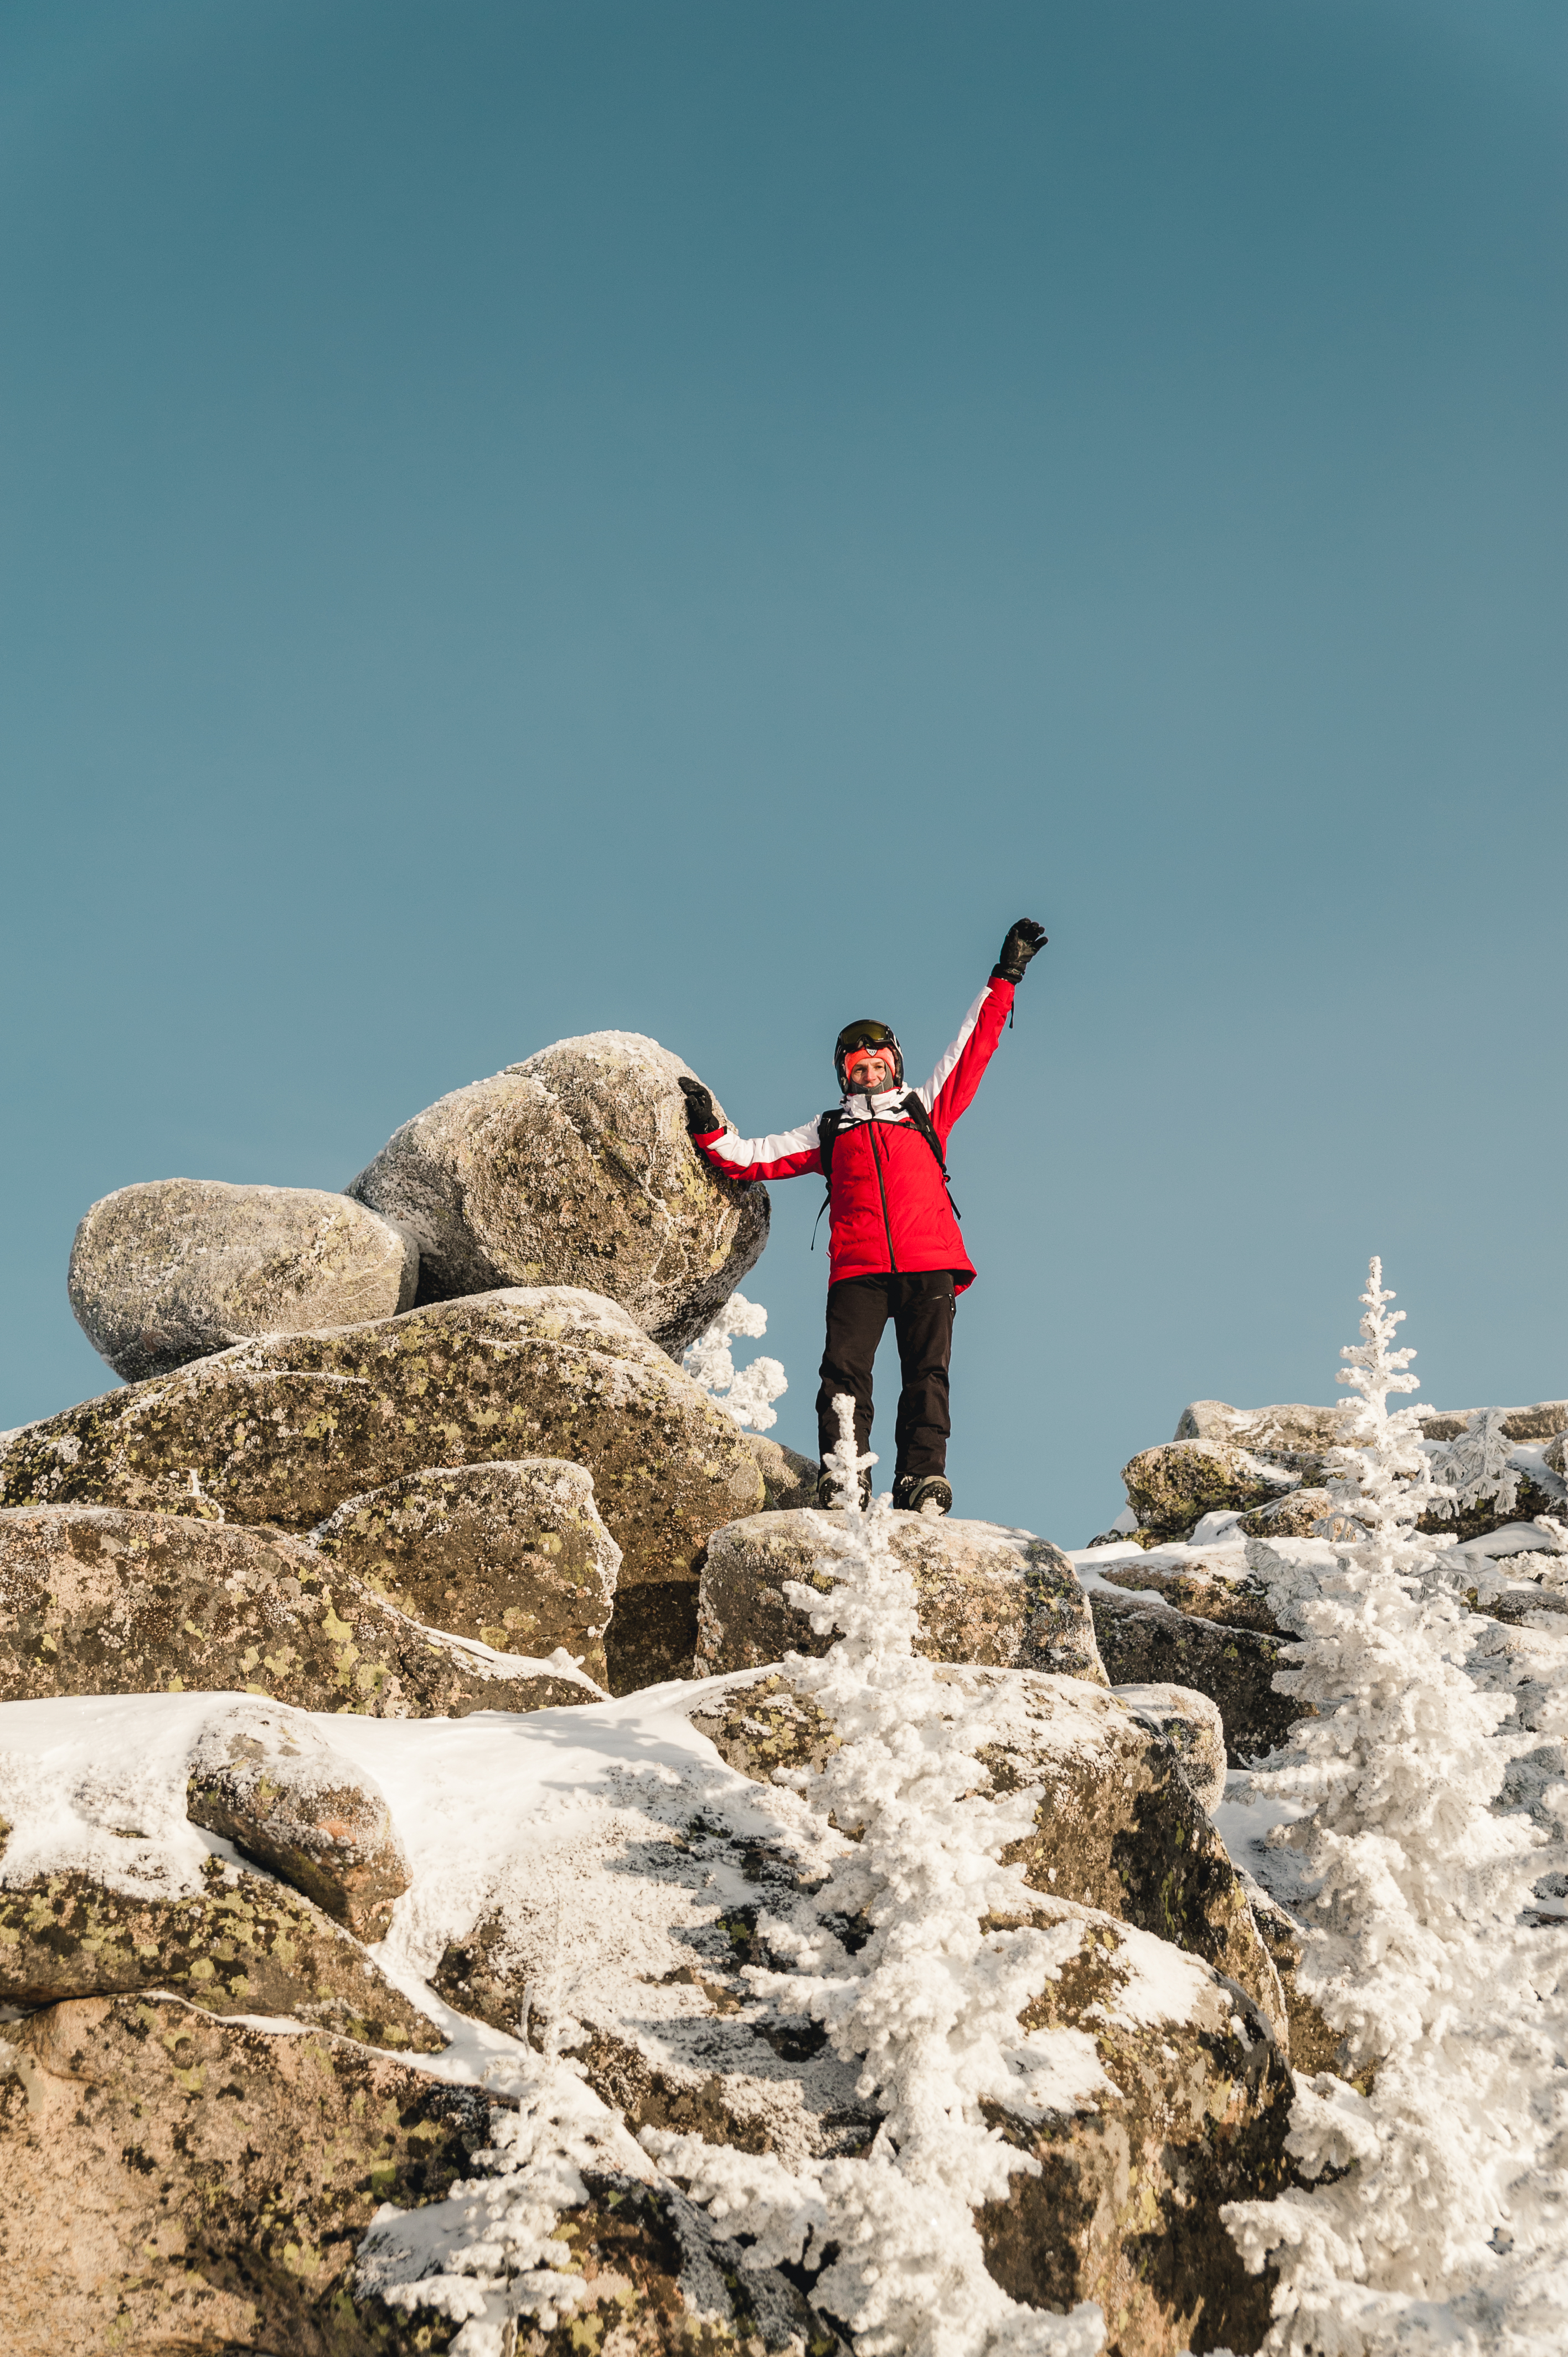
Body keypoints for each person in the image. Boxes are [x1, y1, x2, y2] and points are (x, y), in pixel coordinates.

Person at [678, 918, 1047, 1515]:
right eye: (857, 1068)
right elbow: (751, 1158)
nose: (868, 1074)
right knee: (844, 1375)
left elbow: (974, 1044)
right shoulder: (829, 1131)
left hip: (930, 1263)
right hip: (859, 1271)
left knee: (928, 1374)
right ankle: (845, 1473)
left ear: (894, 1066)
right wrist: (708, 1130)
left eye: (876, 1065)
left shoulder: (925, 1109)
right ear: (844, 1076)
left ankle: (920, 1479)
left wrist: (1006, 974)